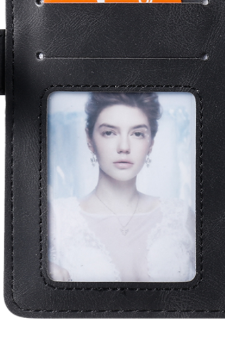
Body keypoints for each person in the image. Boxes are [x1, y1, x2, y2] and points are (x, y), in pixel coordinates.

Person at [48, 92, 195, 282]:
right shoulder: (58, 219)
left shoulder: (181, 216)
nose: (124, 147)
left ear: (151, 143)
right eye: (109, 133)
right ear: (89, 139)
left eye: (137, 134)